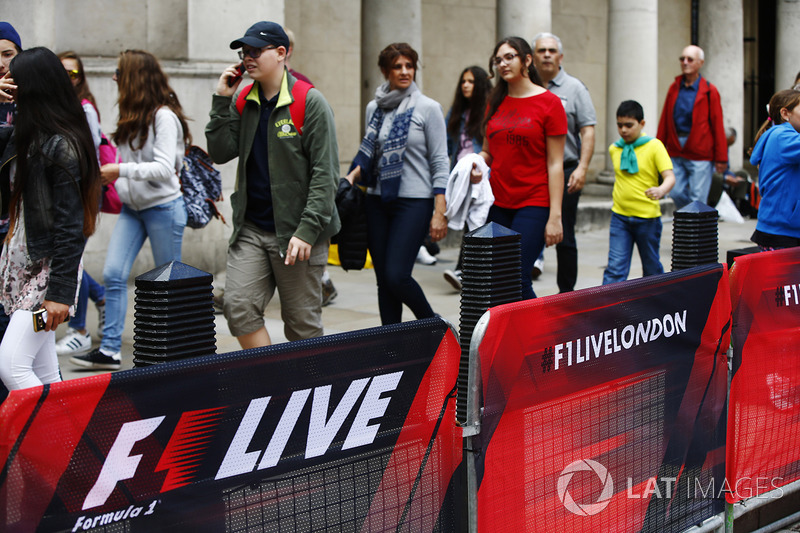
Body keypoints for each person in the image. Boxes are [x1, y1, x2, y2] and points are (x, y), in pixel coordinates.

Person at [206, 21, 340, 348]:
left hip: (297, 233)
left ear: (281, 53)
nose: (247, 58)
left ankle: (305, 392)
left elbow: (326, 174)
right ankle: (273, 381)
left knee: (302, 326)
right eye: (244, 52)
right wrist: (221, 99)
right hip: (251, 229)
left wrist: (308, 230)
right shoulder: (243, 101)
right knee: (237, 309)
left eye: (255, 51)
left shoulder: (309, 102)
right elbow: (221, 151)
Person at [70, 50, 190, 370]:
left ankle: (173, 352)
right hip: (132, 209)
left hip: (164, 208)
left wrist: (119, 172)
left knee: (166, 284)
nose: (113, 77)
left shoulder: (163, 117)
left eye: (119, 71)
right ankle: (109, 350)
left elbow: (165, 168)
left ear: (135, 76)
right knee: (113, 273)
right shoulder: (130, 114)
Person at [0, 47, 101, 390]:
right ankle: (67, 444)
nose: (9, 86)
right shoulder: (26, 134)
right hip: (22, 266)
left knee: (12, 365)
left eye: (16, 81)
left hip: (45, 275)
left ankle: (49, 443)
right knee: (44, 373)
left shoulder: (62, 145)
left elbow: (73, 227)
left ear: (33, 87)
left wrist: (59, 292)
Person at [346, 42, 449, 324]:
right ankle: (391, 344)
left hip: (415, 201)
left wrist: (440, 211)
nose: (405, 72)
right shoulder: (374, 108)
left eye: (409, 66)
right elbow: (369, 154)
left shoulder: (429, 108)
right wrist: (351, 176)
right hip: (377, 199)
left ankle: (433, 326)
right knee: (384, 281)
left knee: (397, 275)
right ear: (384, 71)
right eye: (397, 66)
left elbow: (440, 161)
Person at [471, 36, 566, 300]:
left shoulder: (549, 103)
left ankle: (541, 336)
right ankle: (511, 338)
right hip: (499, 201)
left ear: (526, 60)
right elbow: (488, 151)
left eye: (509, 57)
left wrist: (555, 216)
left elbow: (556, 163)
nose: (502, 64)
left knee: (516, 275)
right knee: (495, 277)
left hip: (534, 201)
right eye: (498, 59)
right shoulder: (495, 101)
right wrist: (476, 165)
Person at [531, 32, 596, 292]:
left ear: (560, 56)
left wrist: (582, 167)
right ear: (532, 57)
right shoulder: (526, 89)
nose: (546, 54)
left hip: (566, 170)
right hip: (533, 172)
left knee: (564, 235)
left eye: (551, 50)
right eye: (541, 50)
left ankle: (566, 294)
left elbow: (588, 130)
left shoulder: (575, 88)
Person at [54, 51, 106, 357]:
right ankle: (101, 297)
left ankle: (79, 330)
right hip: (63, 193)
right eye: (61, 73)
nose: (67, 79)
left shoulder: (84, 109)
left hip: (81, 192)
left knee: (73, 259)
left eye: (72, 74)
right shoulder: (59, 107)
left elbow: (90, 158)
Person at [603, 100, 675, 284]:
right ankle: (606, 309)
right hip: (620, 216)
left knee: (651, 268)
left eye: (629, 125)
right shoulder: (614, 148)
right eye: (620, 125)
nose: (624, 130)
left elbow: (670, 177)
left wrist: (661, 190)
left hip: (647, 218)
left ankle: (656, 306)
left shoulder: (654, 146)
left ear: (642, 124)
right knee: (615, 269)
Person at [656, 44, 727, 210]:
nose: (685, 62)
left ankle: (696, 229)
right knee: (674, 191)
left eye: (690, 59)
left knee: (698, 197)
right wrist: (658, 148)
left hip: (700, 152)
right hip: (675, 149)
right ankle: (694, 215)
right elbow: (665, 120)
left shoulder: (710, 91)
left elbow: (717, 125)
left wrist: (721, 158)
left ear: (700, 63)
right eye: (682, 59)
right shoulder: (674, 88)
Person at [442, 66, 492, 291]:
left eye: (471, 81)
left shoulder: (488, 111)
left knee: (475, 223)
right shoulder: (457, 111)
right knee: (468, 224)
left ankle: (464, 269)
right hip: (460, 174)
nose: (465, 85)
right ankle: (466, 269)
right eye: (463, 81)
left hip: (481, 175)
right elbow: (446, 144)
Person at [748, 89, 800, 251]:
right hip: (782, 230)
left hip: (781, 227)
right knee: (785, 278)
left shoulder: (781, 135)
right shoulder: (782, 136)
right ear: (785, 113)